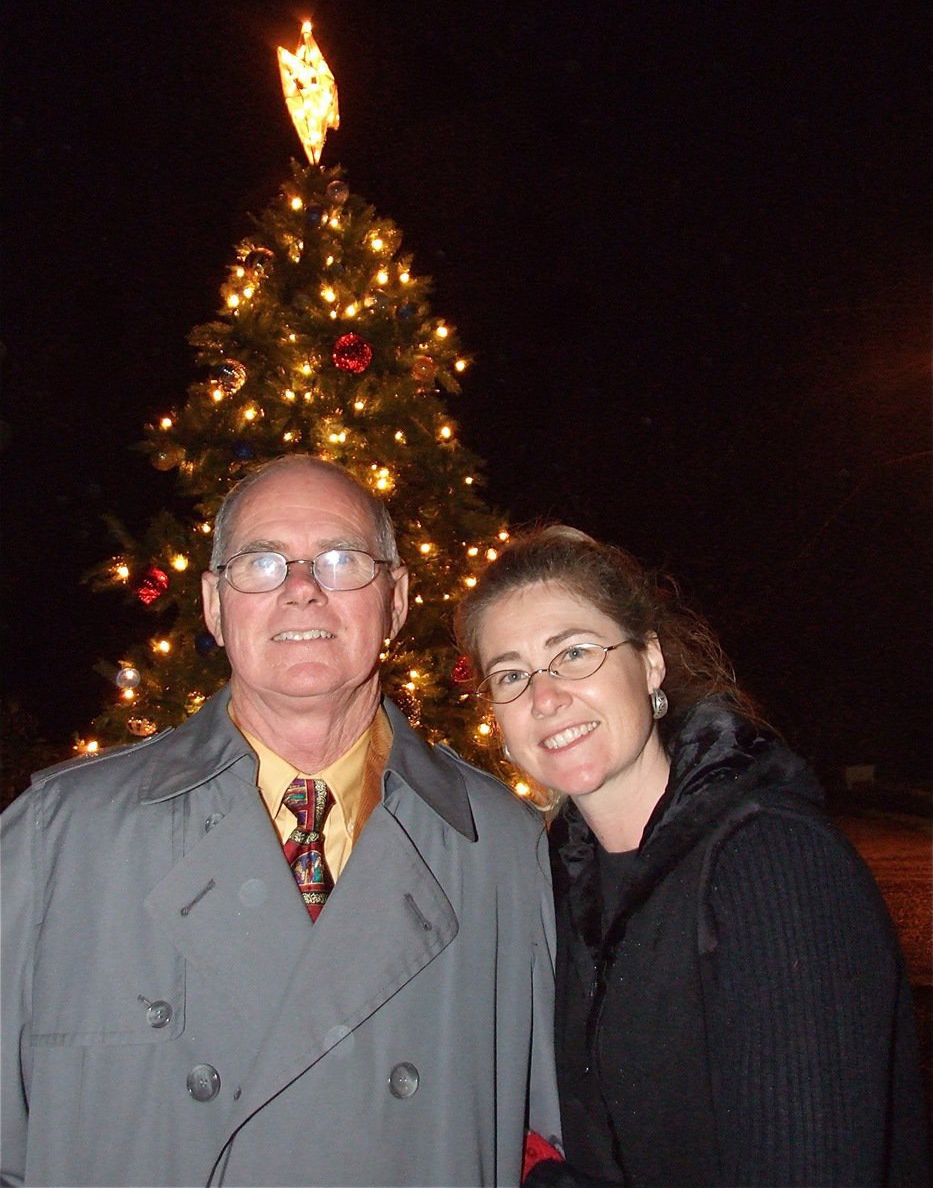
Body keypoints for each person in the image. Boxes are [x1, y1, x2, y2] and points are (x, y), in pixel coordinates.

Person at [1, 455, 561, 1188]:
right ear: (212, 603)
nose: (302, 589)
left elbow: (561, 1145)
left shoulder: (505, 851)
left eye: (340, 559)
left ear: (394, 600)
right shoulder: (58, 838)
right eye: (261, 563)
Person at [455, 524, 929, 1188]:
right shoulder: (560, 893)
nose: (544, 695)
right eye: (511, 673)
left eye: (574, 653)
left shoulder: (767, 862)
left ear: (649, 662)